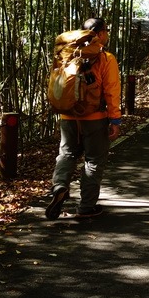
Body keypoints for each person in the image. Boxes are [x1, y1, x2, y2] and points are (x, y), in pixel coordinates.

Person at [46, 18, 122, 219]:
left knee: (67, 153)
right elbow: (112, 91)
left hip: (67, 116)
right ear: (99, 33)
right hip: (94, 117)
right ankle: (86, 207)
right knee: (94, 160)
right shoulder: (105, 58)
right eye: (106, 31)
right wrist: (115, 119)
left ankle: (59, 186)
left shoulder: (66, 55)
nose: (107, 34)